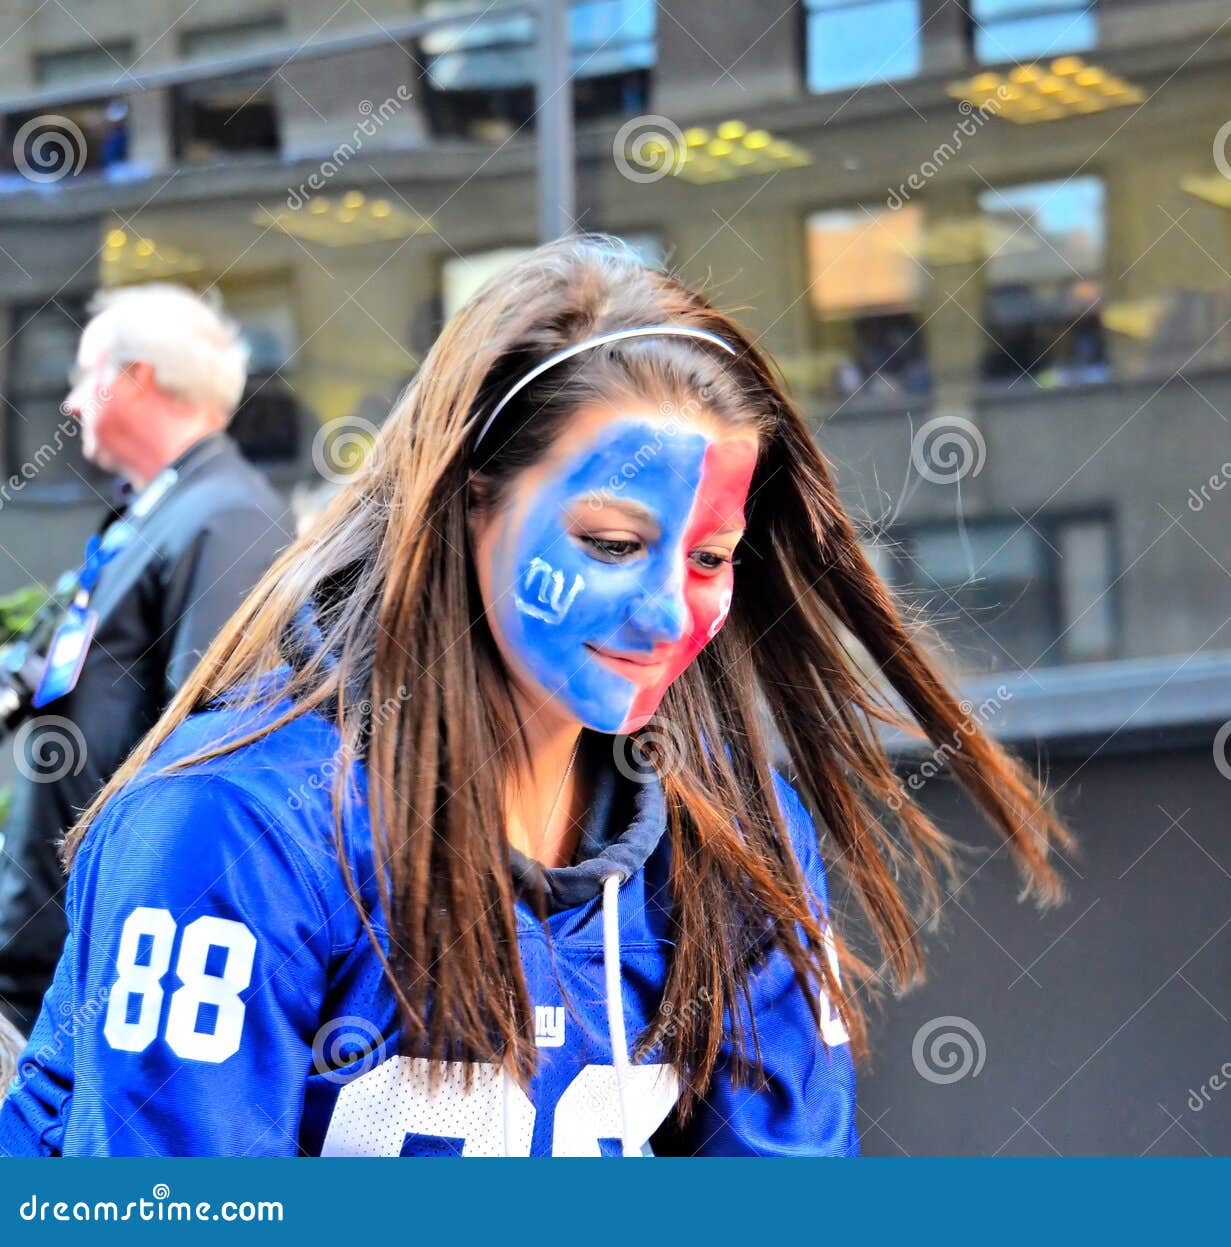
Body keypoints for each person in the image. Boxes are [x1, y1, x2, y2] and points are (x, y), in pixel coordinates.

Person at [0, 236, 1070, 1157]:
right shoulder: (233, 830)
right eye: (611, 543)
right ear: (471, 505)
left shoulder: (741, 847)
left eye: (710, 558)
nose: (665, 613)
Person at [0, 284, 293, 1034]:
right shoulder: (155, 512)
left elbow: (213, 750)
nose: (69, 403)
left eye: (82, 375)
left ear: (133, 378)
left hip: (92, 980)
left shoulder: (226, 515)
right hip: (49, 962)